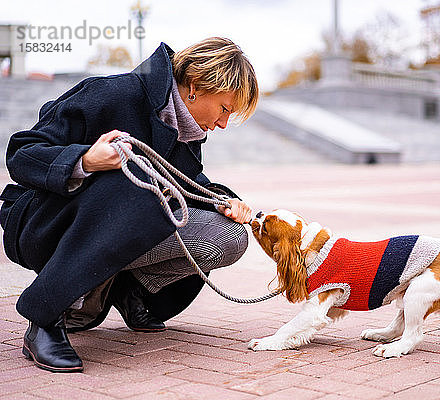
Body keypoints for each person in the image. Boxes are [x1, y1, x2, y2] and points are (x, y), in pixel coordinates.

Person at [0, 37, 258, 372]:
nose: (223, 124)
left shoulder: (185, 130)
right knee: (138, 191)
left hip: (118, 223)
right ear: (194, 86)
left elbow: (188, 183)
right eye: (224, 109)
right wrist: (86, 159)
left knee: (229, 236)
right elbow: (22, 153)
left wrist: (222, 201)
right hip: (46, 221)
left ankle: (124, 289)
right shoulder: (111, 93)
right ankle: (46, 317)